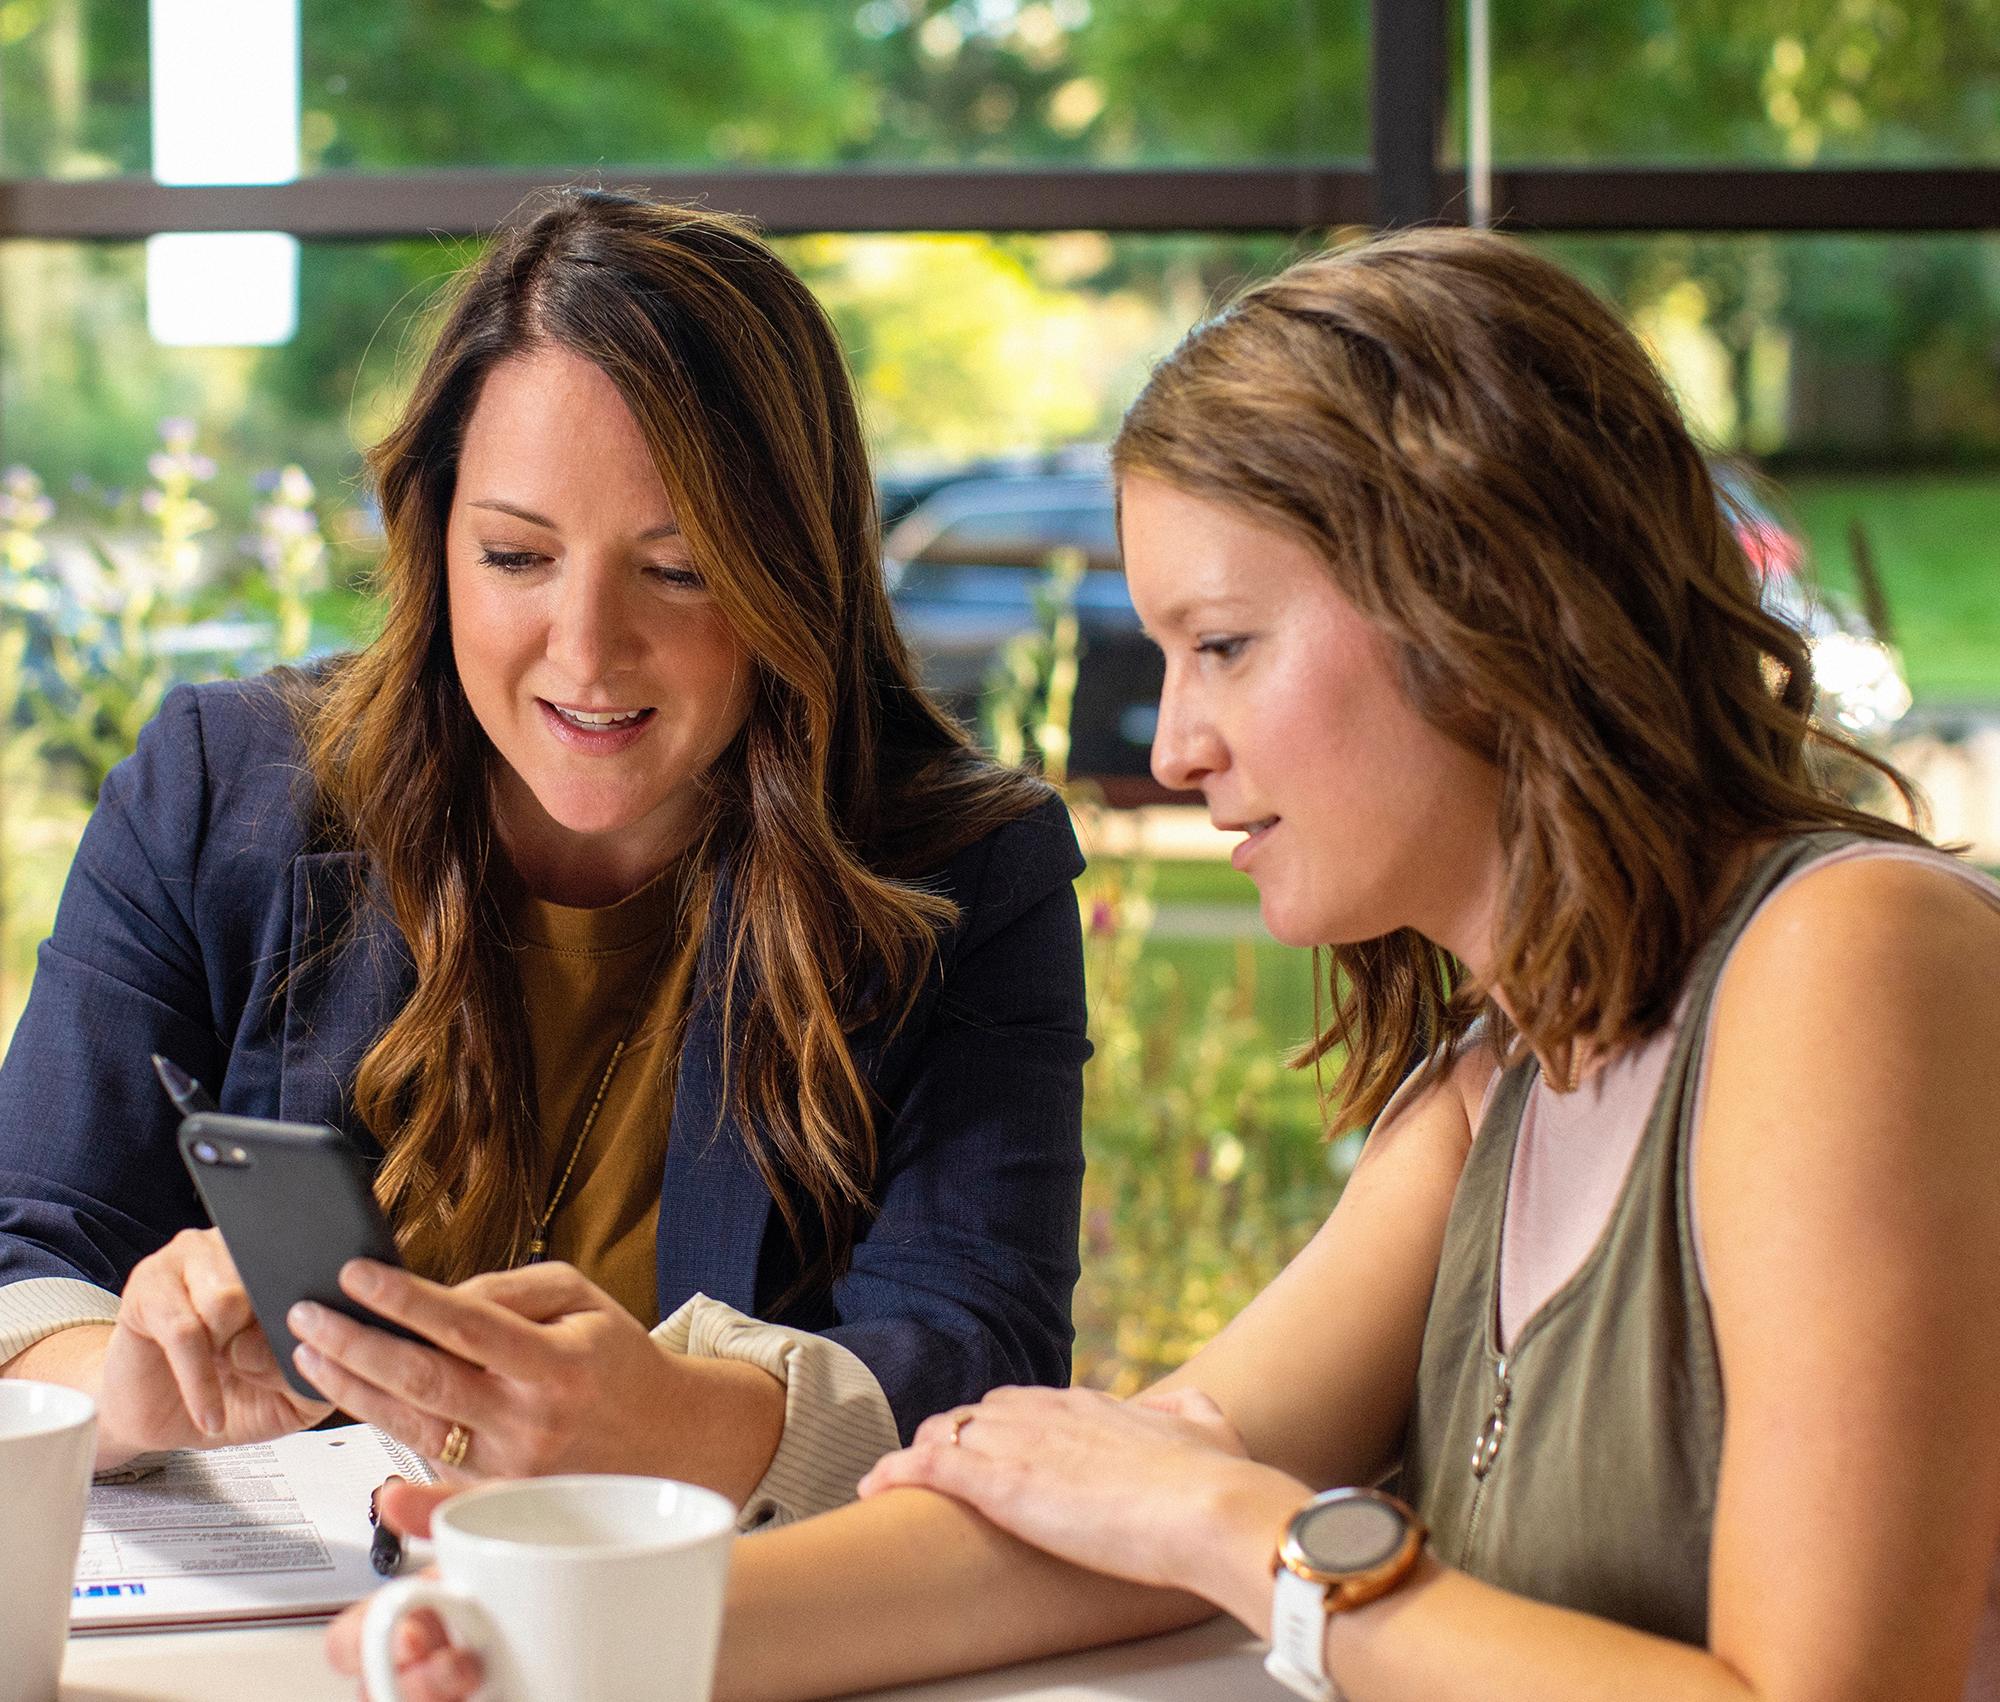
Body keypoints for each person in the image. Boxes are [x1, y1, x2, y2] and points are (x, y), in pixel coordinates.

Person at [336, 224, 2000, 1702]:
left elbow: (1834, 1686)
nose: (1181, 741)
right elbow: (1106, 1520)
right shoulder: (1502, 1081)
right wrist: (549, 1628)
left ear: (1479, 605)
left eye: (1225, 645)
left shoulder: (1847, 959)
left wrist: (1247, 1532)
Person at [0, 190, 1090, 1527]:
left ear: (792, 575)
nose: (584, 652)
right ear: (434, 539)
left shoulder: (971, 872)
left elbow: (986, 1361)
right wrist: (117, 1380)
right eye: (517, 555)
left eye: (679, 571)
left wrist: (678, 1419)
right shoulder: (219, 791)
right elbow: (24, 1248)